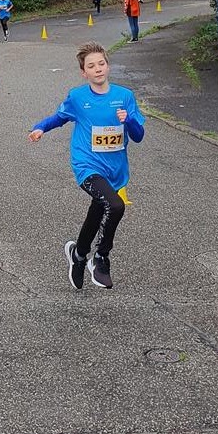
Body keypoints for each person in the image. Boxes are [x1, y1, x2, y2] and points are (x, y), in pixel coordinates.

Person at [28, 41, 145, 291]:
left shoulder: (124, 96)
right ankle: (100, 258)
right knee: (115, 205)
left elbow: (138, 136)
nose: (98, 69)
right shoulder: (78, 97)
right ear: (84, 73)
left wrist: (129, 120)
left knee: (98, 210)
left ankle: (79, 254)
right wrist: (40, 128)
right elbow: (59, 118)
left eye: (101, 63)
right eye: (91, 66)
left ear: (108, 66)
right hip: (87, 166)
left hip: (115, 169)